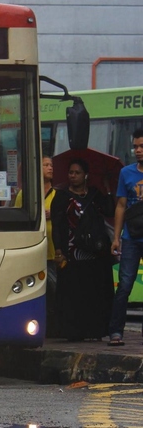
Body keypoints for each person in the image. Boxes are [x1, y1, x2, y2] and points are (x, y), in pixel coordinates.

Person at [50, 158, 114, 341]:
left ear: (86, 175)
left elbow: (109, 210)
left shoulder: (95, 194)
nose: (73, 176)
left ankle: (96, 330)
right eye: (71, 172)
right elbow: (58, 225)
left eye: (77, 172)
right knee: (74, 294)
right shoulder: (62, 197)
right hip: (73, 253)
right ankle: (74, 332)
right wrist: (59, 250)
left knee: (95, 292)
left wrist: (107, 187)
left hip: (96, 253)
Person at [15, 156, 58, 336]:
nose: (50, 168)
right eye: (45, 165)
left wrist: (53, 214)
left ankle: (54, 326)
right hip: (33, 251)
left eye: (51, 165)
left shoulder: (58, 194)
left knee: (55, 290)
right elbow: (17, 220)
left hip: (53, 251)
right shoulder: (25, 194)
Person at [109, 129, 143, 346]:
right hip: (131, 237)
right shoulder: (126, 173)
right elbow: (121, 206)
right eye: (135, 146)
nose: (138, 150)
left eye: (142, 146)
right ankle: (116, 332)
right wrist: (116, 237)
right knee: (125, 285)